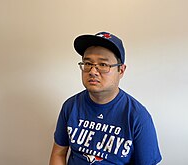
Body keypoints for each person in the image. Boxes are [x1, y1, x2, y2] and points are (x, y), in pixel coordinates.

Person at [49, 32, 162, 165]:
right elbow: (58, 153)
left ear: (121, 70)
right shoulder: (70, 106)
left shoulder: (137, 116)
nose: (92, 71)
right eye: (87, 63)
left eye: (103, 65)